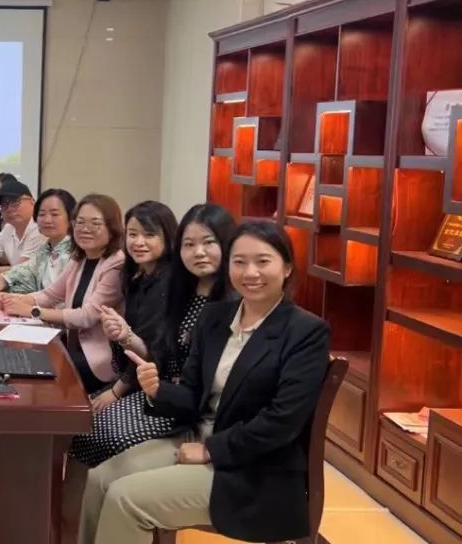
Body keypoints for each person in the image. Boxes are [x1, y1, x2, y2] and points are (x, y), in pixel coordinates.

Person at [79, 220, 331, 544]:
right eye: (239, 262)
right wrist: (158, 391)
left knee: (125, 499)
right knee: (99, 479)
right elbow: (193, 392)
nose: (250, 272)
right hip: (195, 436)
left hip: (253, 468)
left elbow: (282, 421)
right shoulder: (215, 316)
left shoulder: (306, 332)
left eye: (262, 261)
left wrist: (211, 450)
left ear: (287, 268)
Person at [69, 201, 196, 467]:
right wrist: (118, 335)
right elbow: (133, 344)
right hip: (139, 376)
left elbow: (155, 351)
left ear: (168, 237)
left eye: (149, 235)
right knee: (80, 419)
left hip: (163, 386)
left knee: (94, 427)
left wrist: (117, 392)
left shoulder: (169, 283)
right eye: (133, 234)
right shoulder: (138, 277)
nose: (138, 242)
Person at [0, 194, 127, 398]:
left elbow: (86, 316)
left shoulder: (116, 263)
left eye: (95, 223)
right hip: (68, 344)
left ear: (112, 227)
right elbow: (50, 294)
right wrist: (15, 299)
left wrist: (32, 311)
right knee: (13, 358)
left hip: (98, 357)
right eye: (80, 222)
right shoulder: (79, 257)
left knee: (31, 375)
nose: (85, 229)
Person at [0, 188, 75, 293]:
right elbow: (26, 271)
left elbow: (59, 296)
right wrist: (5, 280)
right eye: (42, 214)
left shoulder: (75, 254)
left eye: (54, 214)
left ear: (71, 218)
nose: (47, 220)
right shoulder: (45, 250)